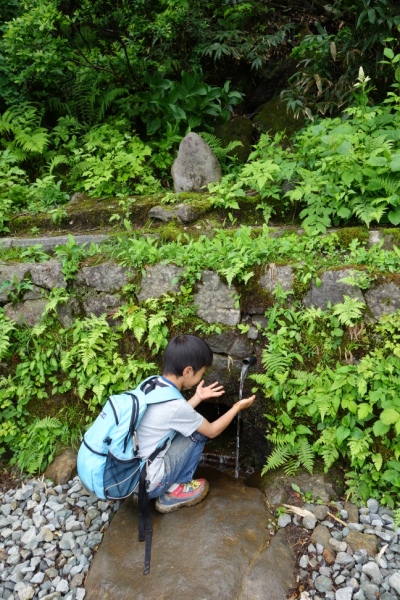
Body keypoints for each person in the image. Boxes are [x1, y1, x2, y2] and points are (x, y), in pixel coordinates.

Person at [137, 333, 256, 513]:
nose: (201, 378)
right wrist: (236, 407)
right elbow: (212, 430)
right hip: (150, 484)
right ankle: (175, 490)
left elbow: (171, 415)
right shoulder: (176, 406)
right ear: (187, 371)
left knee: (188, 426)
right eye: (201, 373)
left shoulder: (151, 384)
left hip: (131, 474)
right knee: (198, 431)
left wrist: (197, 397)